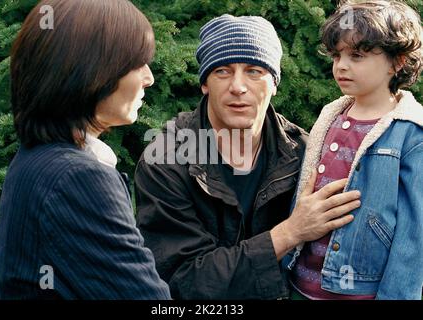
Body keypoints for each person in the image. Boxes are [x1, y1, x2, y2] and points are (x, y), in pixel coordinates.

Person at [135, 14, 361, 300]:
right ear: (205, 83)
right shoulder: (166, 160)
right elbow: (184, 281)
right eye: (223, 71)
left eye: (254, 71)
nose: (238, 87)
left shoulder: (306, 152)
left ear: (274, 83)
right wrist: (290, 232)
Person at [0, 0, 171, 300]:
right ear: (91, 70)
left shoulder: (37, 158)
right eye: (137, 63)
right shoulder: (77, 178)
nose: (149, 78)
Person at [284, 0, 423, 300]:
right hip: (300, 284)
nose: (341, 66)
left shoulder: (411, 132)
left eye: (357, 55)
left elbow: (414, 237)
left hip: (359, 291)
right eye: (337, 55)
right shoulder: (330, 116)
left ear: (397, 62)